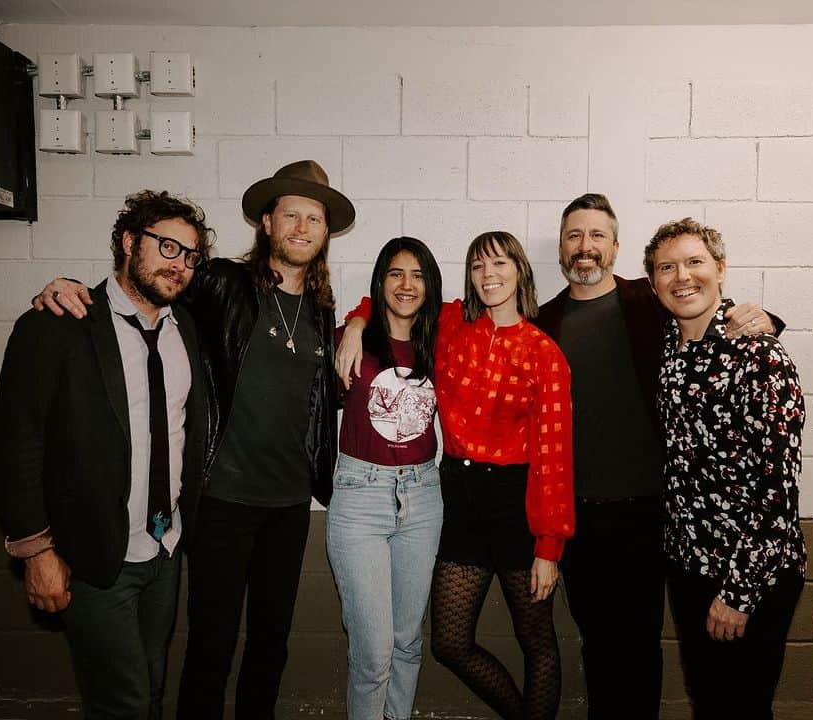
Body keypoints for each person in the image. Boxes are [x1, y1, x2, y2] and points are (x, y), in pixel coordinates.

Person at [32, 160, 355, 719]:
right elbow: (149, 283)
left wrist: (361, 320)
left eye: (315, 218)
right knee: (212, 644)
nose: (302, 227)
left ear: (326, 234)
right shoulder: (223, 283)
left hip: (289, 505)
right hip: (222, 500)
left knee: (270, 645)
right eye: (291, 215)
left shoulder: (323, 312)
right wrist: (71, 288)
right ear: (266, 222)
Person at [532, 194, 779, 719]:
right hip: (576, 513)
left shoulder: (648, 301)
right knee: (597, 643)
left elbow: (709, 313)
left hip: (651, 511)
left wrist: (763, 317)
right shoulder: (543, 320)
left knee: (641, 644)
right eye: (574, 235)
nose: (586, 246)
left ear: (615, 247)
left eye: (598, 235)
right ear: (560, 248)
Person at [0, 190, 213, 719]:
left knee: (153, 689)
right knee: (123, 703)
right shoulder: (59, 324)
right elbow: (14, 444)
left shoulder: (187, 330)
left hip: (165, 547)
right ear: (129, 242)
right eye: (167, 246)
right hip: (93, 556)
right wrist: (35, 551)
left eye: (190, 255)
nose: (178, 264)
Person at [339, 231, 575, 720]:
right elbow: (398, 296)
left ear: (520, 271)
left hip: (517, 503)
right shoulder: (451, 325)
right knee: (448, 642)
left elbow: (555, 455)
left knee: (537, 641)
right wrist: (358, 320)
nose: (489, 275)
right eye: (477, 266)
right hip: (455, 498)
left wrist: (548, 545)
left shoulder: (544, 352)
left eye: (500, 264)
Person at [644, 218, 806, 720]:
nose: (681, 277)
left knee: (742, 708)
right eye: (666, 268)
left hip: (751, 571)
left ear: (720, 269)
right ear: (653, 283)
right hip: (690, 562)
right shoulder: (670, 347)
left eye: (694, 263)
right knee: (709, 702)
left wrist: (738, 592)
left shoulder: (760, 355)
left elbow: (777, 487)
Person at [327, 237, 445, 720]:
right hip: (360, 499)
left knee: (408, 641)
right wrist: (357, 321)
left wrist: (360, 313)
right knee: (373, 652)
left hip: (423, 497)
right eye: (395, 273)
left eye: (418, 275)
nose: (407, 284)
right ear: (380, 281)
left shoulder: (442, 341)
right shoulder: (346, 341)